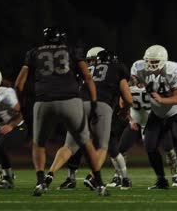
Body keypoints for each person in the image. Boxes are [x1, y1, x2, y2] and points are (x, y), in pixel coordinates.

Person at [14, 27, 109, 196]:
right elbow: (88, 77)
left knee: (39, 143)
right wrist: (93, 102)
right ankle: (100, 184)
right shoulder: (72, 50)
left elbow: (18, 85)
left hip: (44, 101)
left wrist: (21, 104)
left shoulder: (34, 53)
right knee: (86, 142)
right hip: (70, 100)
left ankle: (40, 182)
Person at [45, 49, 133, 190]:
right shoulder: (117, 68)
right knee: (102, 147)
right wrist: (123, 111)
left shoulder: (88, 68)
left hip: (79, 105)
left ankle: (49, 175)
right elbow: (128, 99)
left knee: (69, 146)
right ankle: (92, 177)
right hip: (102, 105)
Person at [131, 44, 177, 190]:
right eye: (148, 61)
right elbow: (134, 80)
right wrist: (132, 82)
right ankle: (161, 180)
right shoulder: (138, 67)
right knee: (149, 145)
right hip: (157, 112)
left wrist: (160, 100)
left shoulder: (174, 70)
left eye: (154, 62)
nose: (150, 65)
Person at [107, 79, 177, 188]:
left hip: (154, 123)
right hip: (136, 122)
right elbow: (122, 103)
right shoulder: (128, 87)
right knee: (120, 149)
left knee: (168, 148)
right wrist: (130, 120)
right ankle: (119, 177)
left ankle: (175, 176)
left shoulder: (155, 86)